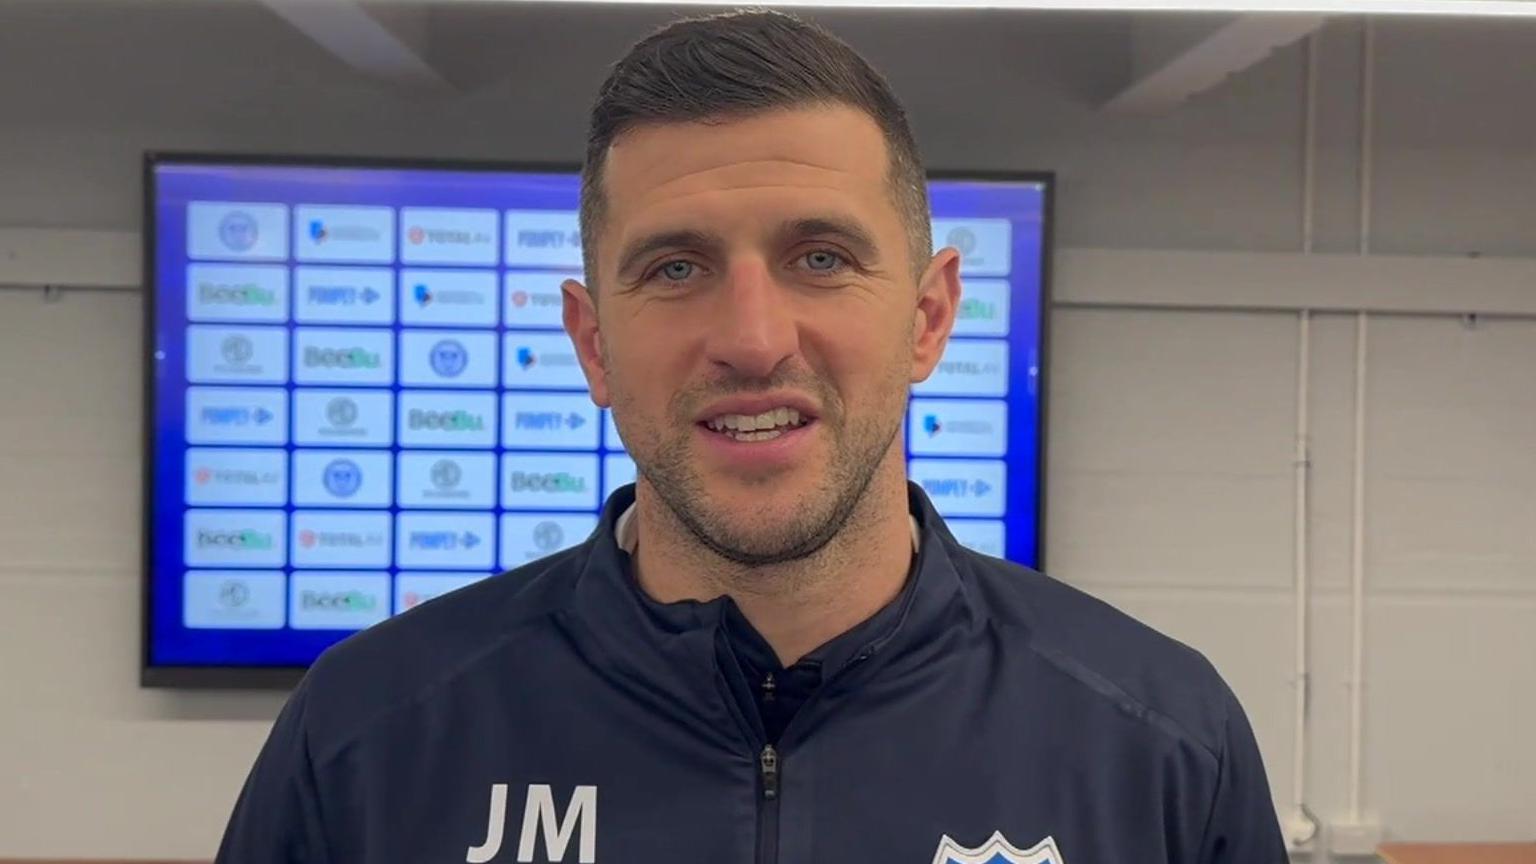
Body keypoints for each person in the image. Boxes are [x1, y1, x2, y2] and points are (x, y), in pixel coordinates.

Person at [216, 10, 1287, 864]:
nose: (752, 339)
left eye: (820, 258)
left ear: (928, 317)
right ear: (592, 344)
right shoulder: (366, 736)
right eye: (675, 268)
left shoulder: (1161, 744)